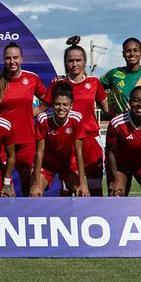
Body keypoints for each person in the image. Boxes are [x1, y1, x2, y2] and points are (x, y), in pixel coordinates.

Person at [43, 36, 109, 196]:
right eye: (70, 60)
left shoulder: (94, 82)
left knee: (94, 187)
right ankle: (69, 220)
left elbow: (107, 109)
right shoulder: (58, 84)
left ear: (85, 62)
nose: (74, 64)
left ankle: (95, 217)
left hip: (90, 139)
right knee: (67, 189)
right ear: (65, 63)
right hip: (67, 141)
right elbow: (42, 108)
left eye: (78, 60)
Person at [0, 42, 47, 196]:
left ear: (22, 59)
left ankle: (27, 218)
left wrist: (29, 113)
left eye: (15, 58)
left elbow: (47, 101)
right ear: (3, 60)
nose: (12, 61)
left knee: (28, 188)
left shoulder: (32, 78)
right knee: (4, 189)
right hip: (3, 142)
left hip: (26, 140)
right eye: (8, 58)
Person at [30, 82, 89, 197]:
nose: (61, 108)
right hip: (47, 165)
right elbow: (39, 152)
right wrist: (36, 184)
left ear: (71, 105)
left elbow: (79, 152)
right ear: (52, 105)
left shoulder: (77, 119)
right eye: (57, 104)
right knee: (35, 193)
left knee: (82, 193)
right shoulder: (43, 119)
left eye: (65, 104)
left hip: (68, 164)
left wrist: (82, 183)